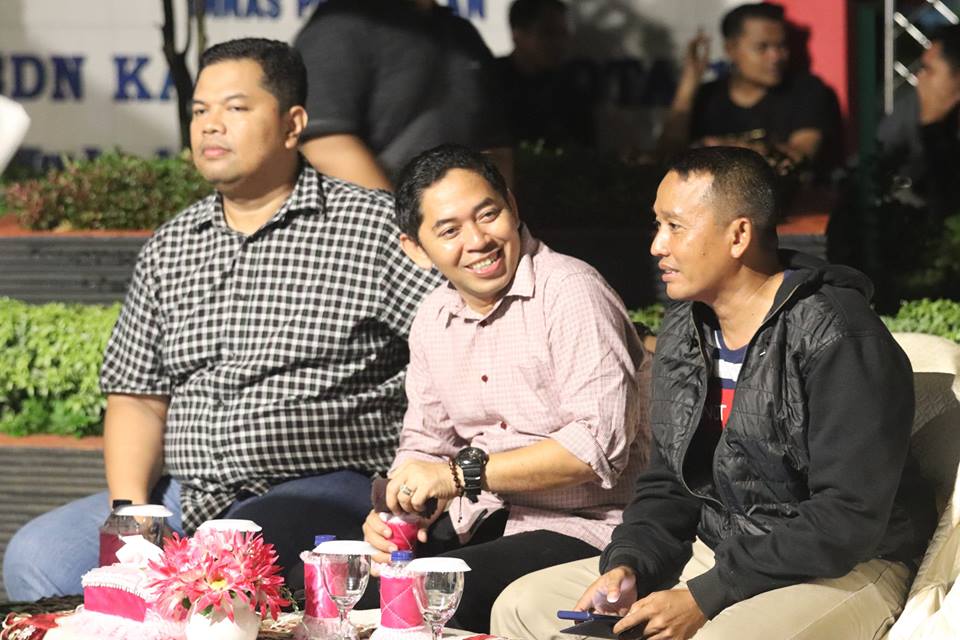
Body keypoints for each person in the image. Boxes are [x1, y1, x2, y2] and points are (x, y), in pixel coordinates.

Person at [2, 38, 442, 602]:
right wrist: (131, 516)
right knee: (39, 557)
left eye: (235, 108)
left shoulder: (371, 227)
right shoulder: (172, 245)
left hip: (326, 487)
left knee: (221, 570)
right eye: (199, 111)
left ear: (292, 124)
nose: (210, 125)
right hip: (189, 496)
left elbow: (454, 345)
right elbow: (137, 396)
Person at [490, 146, 936, 640]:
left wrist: (707, 595)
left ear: (738, 235)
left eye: (675, 226)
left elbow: (847, 518)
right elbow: (667, 482)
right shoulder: (686, 328)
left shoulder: (839, 335)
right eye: (657, 224)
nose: (657, 245)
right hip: (724, 555)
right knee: (521, 607)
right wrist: (630, 564)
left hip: (845, 566)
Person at [361, 144, 649, 633]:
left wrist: (459, 477)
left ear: (513, 207)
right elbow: (426, 443)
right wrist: (398, 509)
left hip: (590, 526)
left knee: (432, 597)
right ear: (415, 248)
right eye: (449, 230)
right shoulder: (433, 316)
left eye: (488, 214)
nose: (478, 240)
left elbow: (596, 447)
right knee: (350, 585)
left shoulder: (571, 291)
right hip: (483, 520)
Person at [293, 0, 512, 191]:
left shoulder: (464, 35)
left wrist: (497, 212)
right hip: (376, 221)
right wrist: (399, 221)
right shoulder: (337, 26)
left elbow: (495, 146)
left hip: (461, 219)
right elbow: (325, 147)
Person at [658, 3, 838, 173]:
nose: (775, 56)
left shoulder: (805, 90)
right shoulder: (706, 97)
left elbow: (800, 157)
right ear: (730, 49)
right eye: (762, 47)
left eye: (781, 46)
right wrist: (688, 84)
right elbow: (668, 156)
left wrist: (722, 149)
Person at [877, 24, 960, 221]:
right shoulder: (913, 106)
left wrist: (932, 125)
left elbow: (948, 203)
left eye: (929, 70)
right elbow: (876, 158)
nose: (920, 78)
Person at [495, 0, 594, 148]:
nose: (559, 44)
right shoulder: (488, 82)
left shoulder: (569, 88)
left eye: (563, 34)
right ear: (517, 35)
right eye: (547, 33)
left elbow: (585, 148)